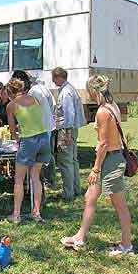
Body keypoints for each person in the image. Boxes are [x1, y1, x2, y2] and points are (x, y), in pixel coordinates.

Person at [61, 75, 134, 257]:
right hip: (110, 158)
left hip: (110, 161)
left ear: (94, 91)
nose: (88, 95)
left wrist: (95, 169)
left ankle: (127, 245)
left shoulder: (102, 112)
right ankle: (79, 237)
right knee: (90, 197)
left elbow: (103, 144)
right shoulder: (112, 105)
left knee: (120, 206)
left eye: (88, 91)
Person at [5, 78, 51, 224]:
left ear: (10, 92)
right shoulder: (35, 99)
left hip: (29, 140)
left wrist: (16, 138)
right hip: (44, 139)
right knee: (35, 177)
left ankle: (16, 215)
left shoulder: (11, 105)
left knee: (19, 179)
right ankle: (36, 213)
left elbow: (12, 130)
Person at [12, 70, 56, 187]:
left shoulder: (33, 93)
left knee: (39, 160)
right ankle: (45, 181)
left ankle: (43, 182)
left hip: (41, 129)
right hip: (46, 127)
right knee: (46, 156)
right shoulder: (41, 89)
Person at [52, 67, 86, 201]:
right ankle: (75, 188)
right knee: (72, 160)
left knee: (65, 161)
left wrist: (66, 133)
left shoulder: (66, 92)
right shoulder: (69, 89)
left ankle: (68, 193)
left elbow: (69, 114)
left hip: (66, 130)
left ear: (59, 77)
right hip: (70, 129)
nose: (53, 81)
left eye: (54, 78)